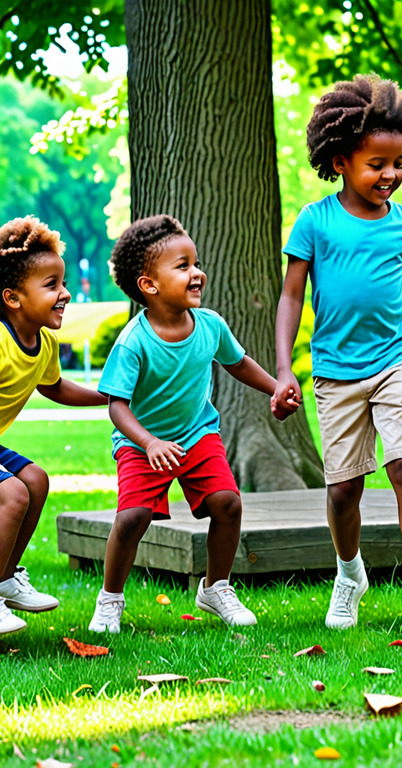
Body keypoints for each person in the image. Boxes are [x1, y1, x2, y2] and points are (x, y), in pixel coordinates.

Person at [272, 74, 402, 632]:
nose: (390, 175)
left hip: (397, 359)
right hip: (336, 370)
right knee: (344, 488)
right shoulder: (315, 221)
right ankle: (348, 573)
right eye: (377, 164)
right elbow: (292, 295)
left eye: (398, 164)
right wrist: (282, 368)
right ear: (340, 160)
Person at [89, 214, 294, 634]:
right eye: (182, 266)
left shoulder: (210, 326)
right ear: (149, 284)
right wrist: (148, 443)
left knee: (227, 503)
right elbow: (116, 407)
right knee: (133, 517)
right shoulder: (134, 340)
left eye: (195, 262)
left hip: (197, 433)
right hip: (140, 441)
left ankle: (216, 587)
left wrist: (276, 388)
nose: (197, 272)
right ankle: (110, 598)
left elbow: (238, 364)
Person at [0, 215, 108, 635]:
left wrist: (110, 396)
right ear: (12, 298)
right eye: (51, 286)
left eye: (62, 283)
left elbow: (55, 387)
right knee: (11, 494)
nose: (64, 294)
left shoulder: (43, 341)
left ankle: (6, 577)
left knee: (36, 481)